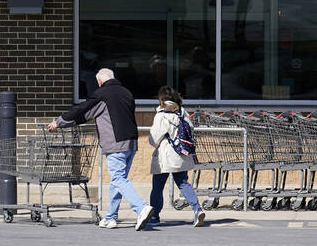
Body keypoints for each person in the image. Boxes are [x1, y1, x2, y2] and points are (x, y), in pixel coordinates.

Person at [49, 68, 153, 230]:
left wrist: (59, 122)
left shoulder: (103, 94)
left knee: (118, 179)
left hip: (115, 142)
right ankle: (111, 217)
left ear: (99, 82)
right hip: (131, 142)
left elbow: (82, 111)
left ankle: (141, 208)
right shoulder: (126, 92)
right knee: (118, 180)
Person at [146, 86, 205, 227]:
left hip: (165, 156)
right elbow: (190, 129)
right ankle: (197, 209)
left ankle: (155, 217)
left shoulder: (161, 115)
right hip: (181, 154)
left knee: (158, 186)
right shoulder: (182, 112)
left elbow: (153, 139)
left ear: (161, 99)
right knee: (183, 183)